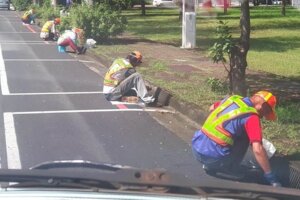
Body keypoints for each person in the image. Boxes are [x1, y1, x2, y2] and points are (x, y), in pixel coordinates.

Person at [192, 91, 282, 187]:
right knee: (246, 136)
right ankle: (229, 168)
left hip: (196, 149)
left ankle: (210, 164)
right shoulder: (251, 117)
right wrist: (270, 176)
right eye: (267, 112)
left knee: (236, 131)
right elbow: (257, 149)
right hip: (215, 159)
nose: (263, 116)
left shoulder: (233, 99)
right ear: (263, 105)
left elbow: (211, 108)